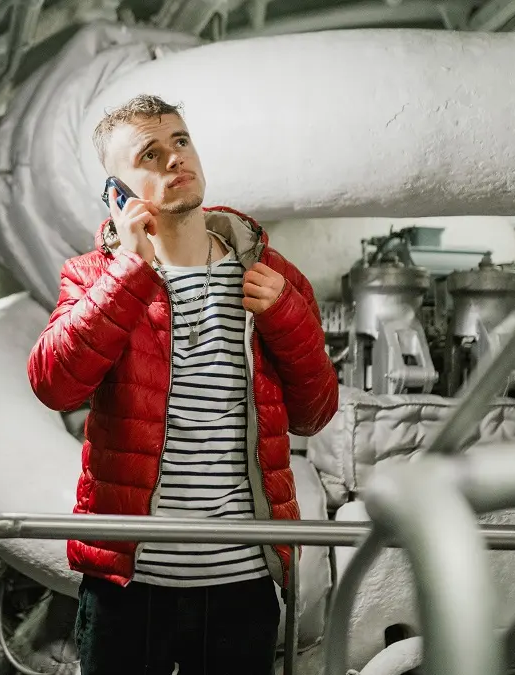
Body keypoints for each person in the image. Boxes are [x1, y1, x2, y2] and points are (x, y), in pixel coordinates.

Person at [27, 94, 339, 674]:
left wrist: (286, 317)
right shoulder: (94, 277)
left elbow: (315, 414)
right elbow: (54, 386)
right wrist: (127, 271)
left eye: (180, 141)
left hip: (241, 582)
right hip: (128, 583)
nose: (174, 158)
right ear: (118, 192)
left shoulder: (271, 276)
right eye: (150, 152)